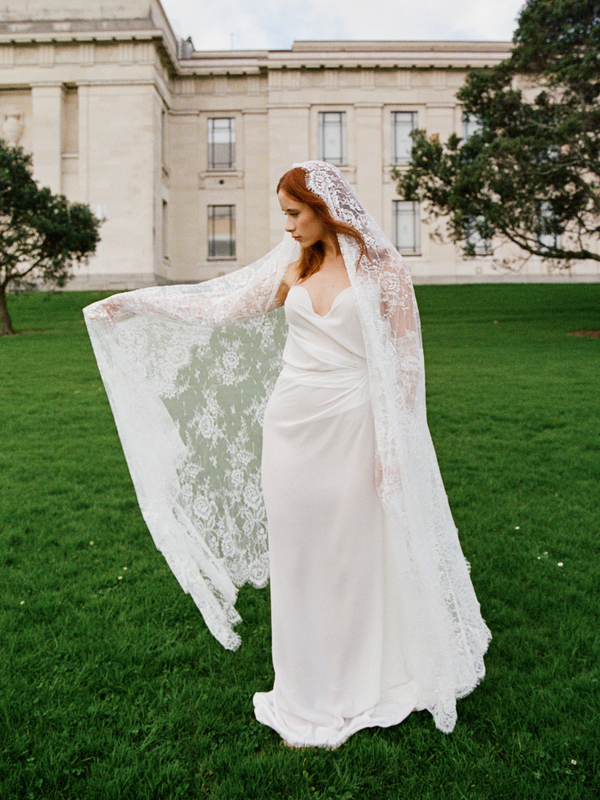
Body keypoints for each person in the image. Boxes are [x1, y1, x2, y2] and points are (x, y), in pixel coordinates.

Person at [84, 160, 491, 749]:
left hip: (353, 425)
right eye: (285, 216)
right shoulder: (293, 265)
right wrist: (135, 304)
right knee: (299, 560)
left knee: (350, 557)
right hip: (291, 430)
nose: (289, 227)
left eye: (295, 215)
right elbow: (216, 306)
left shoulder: (385, 272)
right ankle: (303, 690)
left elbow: (405, 366)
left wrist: (395, 444)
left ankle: (358, 682)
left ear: (325, 212)